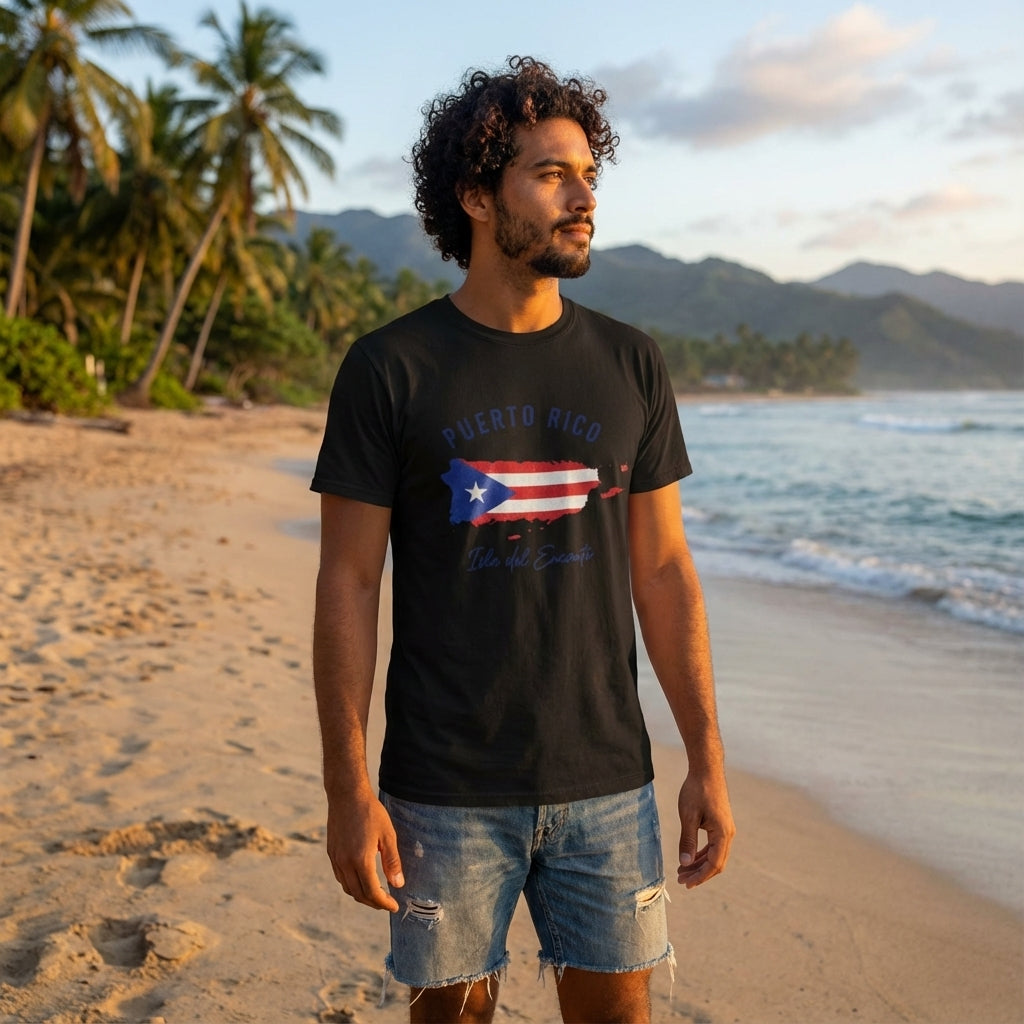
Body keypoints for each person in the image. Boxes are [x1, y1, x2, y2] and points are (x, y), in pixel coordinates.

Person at [311, 56, 734, 1024]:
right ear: (475, 195)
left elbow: (664, 568)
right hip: (443, 786)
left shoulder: (630, 361)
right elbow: (349, 583)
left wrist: (705, 758)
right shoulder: (390, 368)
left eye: (588, 175)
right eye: (551, 175)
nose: (584, 199)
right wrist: (347, 787)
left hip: (607, 779)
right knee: (452, 1015)